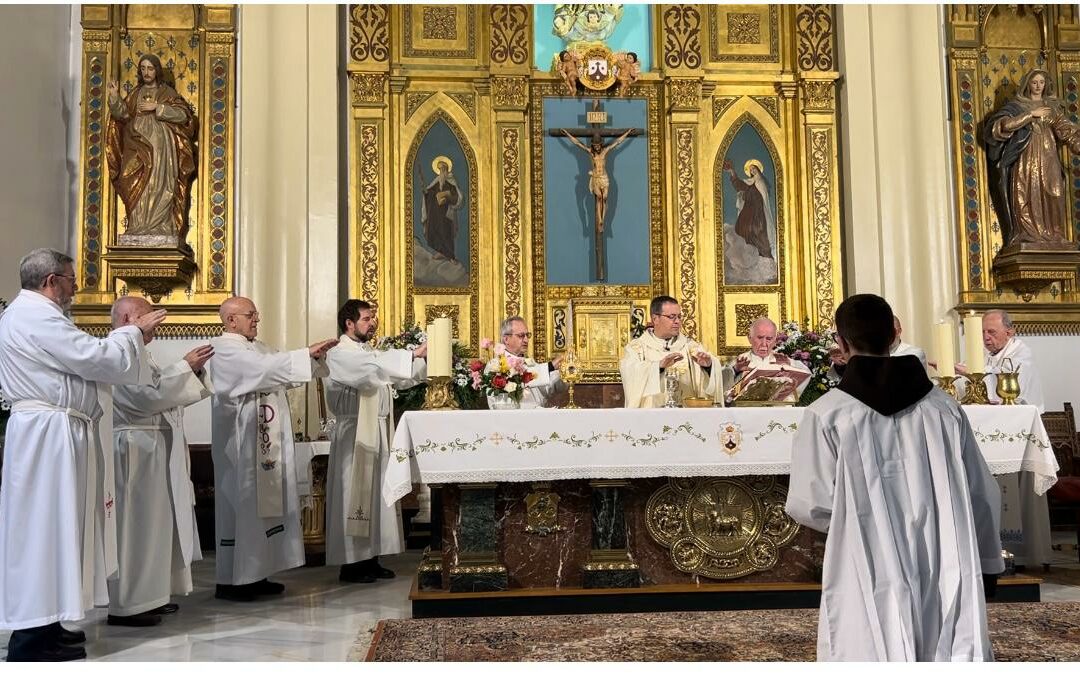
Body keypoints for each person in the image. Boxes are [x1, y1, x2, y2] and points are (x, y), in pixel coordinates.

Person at [786, 294, 1004, 661]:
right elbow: (980, 492)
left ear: (841, 342)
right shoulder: (943, 409)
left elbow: (811, 504)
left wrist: (861, 525)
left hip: (865, 553)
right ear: (893, 336)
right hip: (943, 550)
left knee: (869, 640)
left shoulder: (828, 414)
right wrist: (988, 562)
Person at [0, 249, 165, 661]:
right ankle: (29, 640)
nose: (77, 286)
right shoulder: (34, 315)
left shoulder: (37, 315)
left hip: (58, 433)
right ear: (51, 281)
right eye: (72, 279)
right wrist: (131, 333)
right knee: (42, 532)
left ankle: (49, 624)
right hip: (46, 436)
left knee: (60, 529)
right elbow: (93, 358)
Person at [205, 297, 337, 601]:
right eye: (251, 315)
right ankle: (235, 580)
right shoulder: (223, 348)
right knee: (246, 506)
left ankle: (258, 573)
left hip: (264, 442)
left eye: (256, 314)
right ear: (231, 320)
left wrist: (313, 359)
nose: (257, 319)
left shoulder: (260, 348)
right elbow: (263, 369)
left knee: (262, 508)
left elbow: (280, 370)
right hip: (242, 445)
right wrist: (304, 354)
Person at [106, 296, 212, 627]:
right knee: (134, 528)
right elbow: (144, 398)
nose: (156, 322)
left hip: (152, 446)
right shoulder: (116, 350)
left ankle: (151, 595)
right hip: (133, 449)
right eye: (147, 315)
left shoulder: (140, 353)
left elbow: (157, 389)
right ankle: (127, 605)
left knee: (154, 527)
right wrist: (184, 367)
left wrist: (187, 370)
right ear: (126, 318)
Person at [324, 300, 427, 583]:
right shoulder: (339, 353)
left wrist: (423, 362)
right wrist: (412, 354)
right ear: (349, 323)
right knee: (353, 495)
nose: (372, 323)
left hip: (377, 430)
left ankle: (371, 558)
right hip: (354, 434)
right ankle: (352, 563)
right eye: (367, 319)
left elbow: (393, 378)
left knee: (376, 495)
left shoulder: (367, 352)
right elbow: (372, 370)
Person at [956, 309, 1050, 568]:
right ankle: (989, 548)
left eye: (991, 332)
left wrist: (972, 374)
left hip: (1021, 436)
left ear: (1010, 332)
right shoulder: (988, 356)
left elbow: (1007, 388)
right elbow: (974, 388)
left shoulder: (1022, 356)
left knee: (1017, 491)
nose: (986, 338)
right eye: (983, 332)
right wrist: (961, 377)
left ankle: (1024, 552)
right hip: (999, 429)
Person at [106, 54, 197, 248]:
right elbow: (123, 115)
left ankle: (162, 226)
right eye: (143, 69)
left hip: (162, 151)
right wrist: (114, 98)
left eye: (150, 68)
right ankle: (138, 227)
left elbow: (183, 116)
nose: (146, 72)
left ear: (157, 71)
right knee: (133, 180)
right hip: (136, 146)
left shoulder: (167, 92)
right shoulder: (136, 93)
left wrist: (158, 108)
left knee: (160, 184)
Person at [984, 69, 1080, 247]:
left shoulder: (1051, 107)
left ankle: (1054, 235)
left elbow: (1068, 131)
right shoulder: (1017, 106)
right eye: (1034, 82)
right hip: (1025, 157)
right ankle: (1028, 235)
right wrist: (1030, 115)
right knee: (1027, 192)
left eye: (1041, 82)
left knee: (1054, 191)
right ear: (1027, 84)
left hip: (1048, 156)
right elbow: (1001, 126)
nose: (1038, 86)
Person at [620, 295, 732, 408]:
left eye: (679, 317)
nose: (677, 321)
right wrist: (658, 367)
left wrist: (708, 366)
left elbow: (713, 376)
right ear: (655, 319)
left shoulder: (691, 347)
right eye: (672, 317)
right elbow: (629, 373)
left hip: (686, 417)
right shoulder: (637, 348)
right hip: (652, 416)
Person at [487, 316, 565, 409]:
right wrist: (550, 366)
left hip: (539, 416)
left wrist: (564, 372)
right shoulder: (495, 365)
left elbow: (547, 390)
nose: (526, 340)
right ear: (506, 339)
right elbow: (521, 379)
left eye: (527, 335)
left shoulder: (530, 362)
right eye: (521, 336)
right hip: (513, 418)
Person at [730, 317, 812, 401]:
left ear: (775, 340)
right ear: (749, 338)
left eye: (769, 339)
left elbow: (805, 374)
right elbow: (724, 390)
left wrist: (787, 383)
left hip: (777, 411)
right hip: (748, 410)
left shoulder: (784, 361)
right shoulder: (740, 361)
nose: (764, 344)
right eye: (760, 338)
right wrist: (736, 371)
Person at [724, 159, 774, 260]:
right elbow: (739, 185)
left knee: (757, 229)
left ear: (758, 169)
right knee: (741, 226)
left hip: (758, 210)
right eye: (750, 170)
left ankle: (763, 255)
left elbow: (763, 196)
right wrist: (732, 171)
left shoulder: (761, 182)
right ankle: (747, 256)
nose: (752, 171)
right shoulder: (750, 182)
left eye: (754, 168)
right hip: (748, 209)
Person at [420, 157, 464, 262]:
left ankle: (450, 255)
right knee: (437, 230)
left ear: (447, 169)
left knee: (447, 233)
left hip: (447, 214)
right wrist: (426, 193)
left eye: (443, 169)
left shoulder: (451, 182)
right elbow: (429, 194)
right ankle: (441, 252)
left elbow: (456, 197)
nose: (441, 171)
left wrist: (447, 198)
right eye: (440, 169)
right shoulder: (437, 181)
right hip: (436, 213)